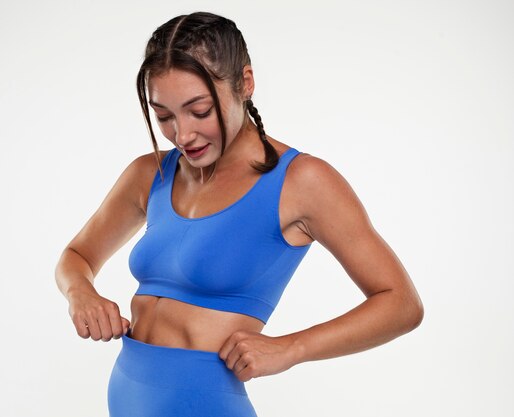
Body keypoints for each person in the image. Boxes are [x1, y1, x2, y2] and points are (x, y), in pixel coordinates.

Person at [54, 11, 424, 417]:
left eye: (199, 110)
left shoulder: (302, 182)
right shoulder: (151, 173)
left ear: (245, 83)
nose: (182, 134)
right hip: (127, 398)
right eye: (164, 116)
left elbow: (401, 304)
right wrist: (81, 294)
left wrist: (291, 348)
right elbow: (77, 257)